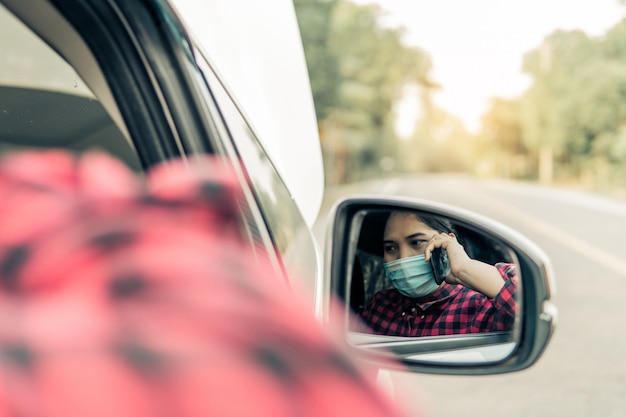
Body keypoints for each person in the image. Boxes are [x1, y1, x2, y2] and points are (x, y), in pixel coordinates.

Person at [0, 150, 410, 417]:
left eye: (417, 245)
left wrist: (461, 270)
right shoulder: (365, 315)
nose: (402, 260)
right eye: (391, 249)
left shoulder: (472, 304)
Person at [360, 210, 517, 337]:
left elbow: (534, 306)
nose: (402, 258)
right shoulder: (379, 305)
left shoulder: (482, 308)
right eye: (391, 248)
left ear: (446, 244)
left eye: (416, 242)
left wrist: (464, 268)